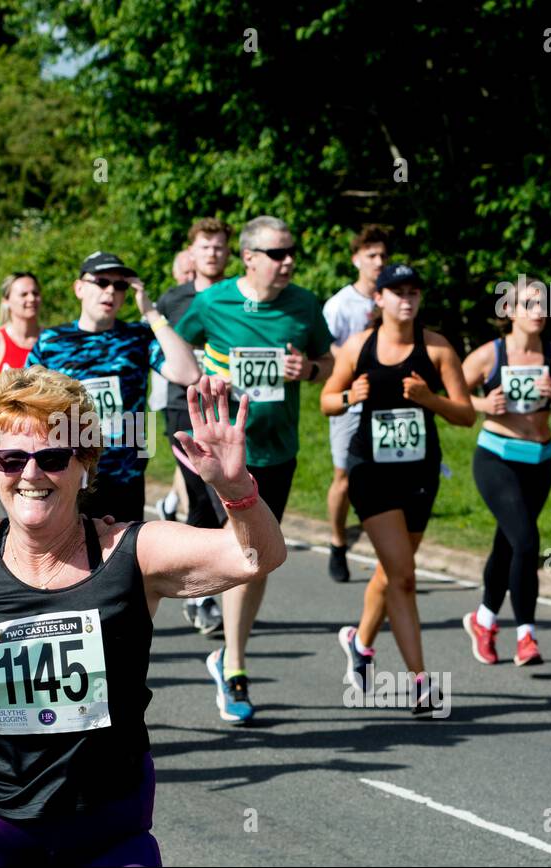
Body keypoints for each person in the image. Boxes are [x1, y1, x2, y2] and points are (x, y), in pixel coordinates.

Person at [0, 368, 287, 866]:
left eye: (53, 457)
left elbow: (255, 557)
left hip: (109, 827)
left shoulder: (133, 552)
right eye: (11, 458)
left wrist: (235, 487)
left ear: (84, 463)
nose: (31, 474)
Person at [175, 216, 333, 722]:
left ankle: (228, 655)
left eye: (291, 253)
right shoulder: (213, 300)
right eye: (277, 253)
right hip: (225, 454)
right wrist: (201, 378)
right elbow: (176, 350)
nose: (287, 261)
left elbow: (329, 363)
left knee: (258, 555)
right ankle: (237, 663)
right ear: (249, 257)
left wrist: (307, 370)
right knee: (243, 549)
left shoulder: (305, 304)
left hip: (277, 452)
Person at [322, 263, 475, 716]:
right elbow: (327, 399)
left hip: (420, 475)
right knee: (405, 578)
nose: (406, 299)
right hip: (371, 473)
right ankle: (421, 683)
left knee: (392, 572)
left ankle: (359, 642)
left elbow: (466, 414)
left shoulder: (438, 348)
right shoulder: (358, 346)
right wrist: (351, 396)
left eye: (413, 291)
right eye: (397, 291)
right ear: (380, 299)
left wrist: (431, 401)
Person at [460, 277, 551, 665]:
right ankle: (526, 636)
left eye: (543, 304)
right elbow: (450, 398)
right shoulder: (489, 355)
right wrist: (484, 405)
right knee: (528, 543)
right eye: (530, 304)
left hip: (539, 462)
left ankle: (483, 620)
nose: (540, 312)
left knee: (509, 542)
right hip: (496, 458)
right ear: (509, 311)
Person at [27, 251, 199, 522]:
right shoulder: (51, 342)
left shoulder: (137, 337)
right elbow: (27, 405)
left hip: (125, 478)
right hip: (71, 475)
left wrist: (152, 313)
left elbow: (188, 373)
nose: (110, 291)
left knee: (125, 562)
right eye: (102, 282)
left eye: (120, 285)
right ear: (79, 287)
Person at [155, 218, 231, 635]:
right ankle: (203, 596)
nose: (213, 253)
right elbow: (162, 352)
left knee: (223, 499)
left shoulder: (236, 297)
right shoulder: (174, 299)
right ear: (193, 251)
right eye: (206, 246)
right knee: (204, 499)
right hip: (183, 409)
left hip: (228, 410)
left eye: (220, 246)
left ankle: (210, 586)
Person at [322, 225, 389, 582]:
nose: (378, 262)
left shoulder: (392, 298)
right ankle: (337, 541)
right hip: (349, 401)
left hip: (386, 405)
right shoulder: (339, 305)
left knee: (385, 478)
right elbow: (324, 349)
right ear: (356, 260)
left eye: (382, 256)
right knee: (344, 478)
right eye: (371, 256)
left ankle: (387, 552)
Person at [0, 272, 41, 372]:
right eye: (24, 294)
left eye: (35, 293)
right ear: (6, 301)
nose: (31, 298)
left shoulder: (52, 340)